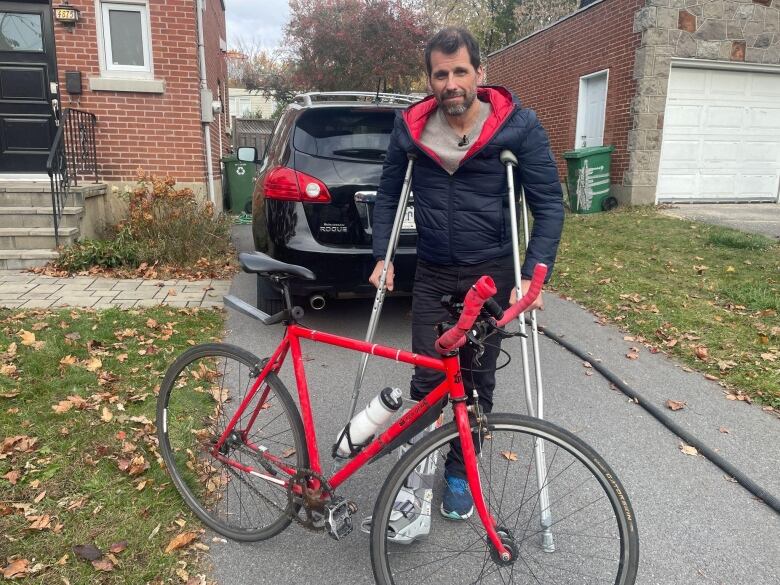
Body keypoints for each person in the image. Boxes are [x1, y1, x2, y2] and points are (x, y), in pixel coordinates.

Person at [369, 27, 564, 522]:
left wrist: (531, 275)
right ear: (430, 79)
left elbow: (548, 205)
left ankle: (460, 469)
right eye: (441, 74)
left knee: (476, 383)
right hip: (433, 271)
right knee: (427, 378)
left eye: (460, 71)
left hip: (492, 276)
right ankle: (417, 475)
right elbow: (389, 194)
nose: (451, 82)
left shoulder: (518, 126)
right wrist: (382, 256)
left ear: (481, 72)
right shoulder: (411, 128)